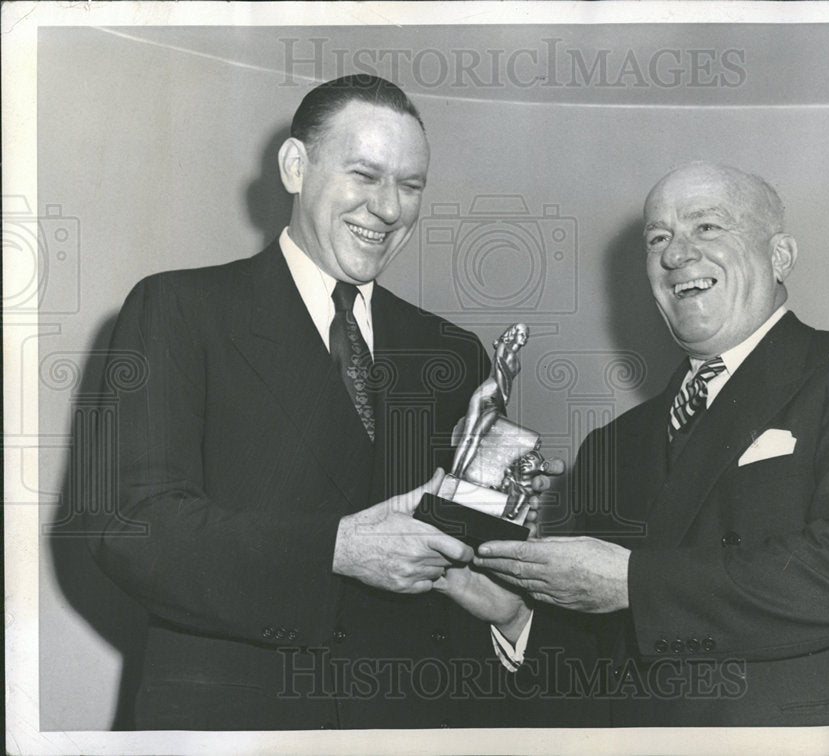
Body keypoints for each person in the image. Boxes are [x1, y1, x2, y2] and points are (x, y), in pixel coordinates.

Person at [86, 75, 550, 730]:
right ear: (295, 166)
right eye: (365, 174)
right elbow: (132, 527)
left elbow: (464, 574)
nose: (388, 208)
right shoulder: (180, 311)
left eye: (410, 185)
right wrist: (336, 547)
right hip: (237, 726)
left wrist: (509, 568)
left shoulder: (453, 353)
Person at [476, 162, 829, 726]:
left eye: (706, 228)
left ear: (780, 257)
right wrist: (516, 615)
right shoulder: (613, 445)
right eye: (658, 238)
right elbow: (605, 667)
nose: (675, 255)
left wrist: (632, 581)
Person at [451, 322, 529, 481]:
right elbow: (500, 366)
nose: (525, 338)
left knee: (478, 439)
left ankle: (460, 477)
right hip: (486, 393)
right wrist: (505, 394)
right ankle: (453, 474)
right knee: (468, 435)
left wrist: (504, 396)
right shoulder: (502, 347)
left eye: (526, 336)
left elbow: (508, 379)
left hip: (497, 401)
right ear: (513, 333)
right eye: (522, 334)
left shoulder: (517, 363)